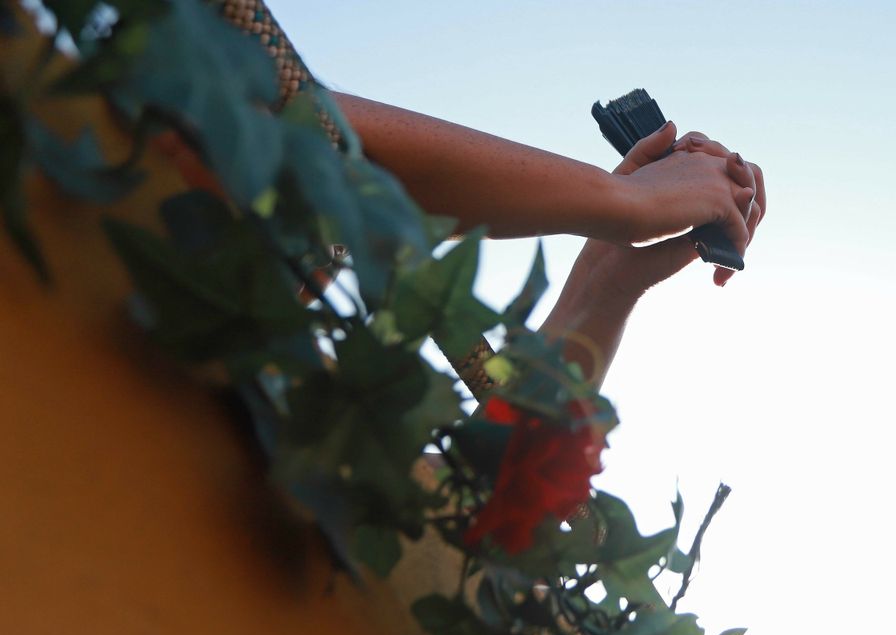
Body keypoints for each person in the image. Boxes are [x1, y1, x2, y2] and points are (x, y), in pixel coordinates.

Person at [212, 0, 765, 388]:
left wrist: (607, 280)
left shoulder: (284, 400)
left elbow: (484, 496)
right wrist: (622, 202)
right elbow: (275, 130)